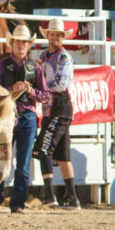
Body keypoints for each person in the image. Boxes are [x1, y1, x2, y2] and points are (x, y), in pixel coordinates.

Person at [0, 24, 50, 214]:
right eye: (18, 41)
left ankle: (17, 203)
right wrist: (11, 91)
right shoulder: (1, 66)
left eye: (24, 42)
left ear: (29, 45)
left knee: (22, 163)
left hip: (27, 116)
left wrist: (30, 91)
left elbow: (45, 96)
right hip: (7, 116)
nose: (21, 45)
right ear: (12, 43)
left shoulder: (35, 69)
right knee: (0, 158)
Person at [33, 19, 81, 209]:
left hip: (59, 108)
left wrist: (40, 88)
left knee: (43, 149)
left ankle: (50, 196)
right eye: (52, 34)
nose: (55, 37)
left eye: (58, 35)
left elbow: (60, 85)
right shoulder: (44, 56)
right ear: (48, 36)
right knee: (62, 155)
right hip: (52, 109)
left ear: (62, 37)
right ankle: (72, 198)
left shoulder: (64, 58)